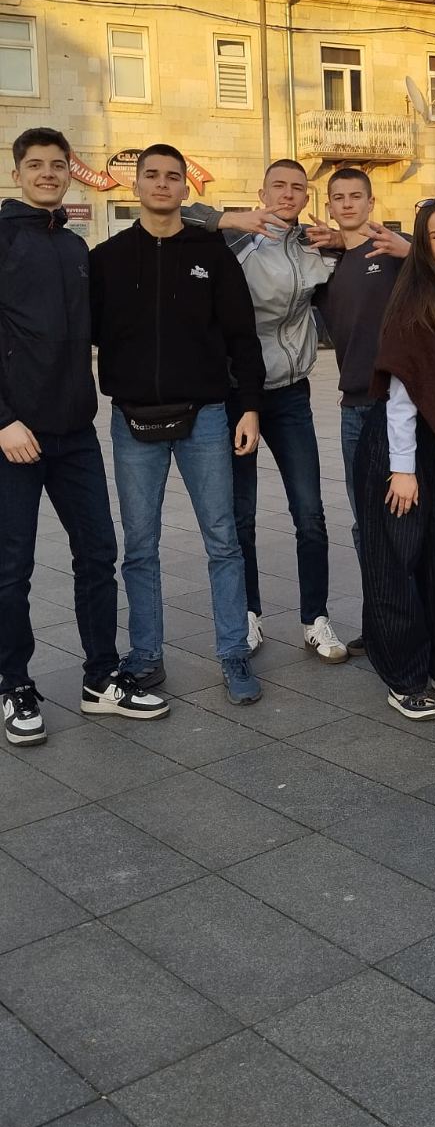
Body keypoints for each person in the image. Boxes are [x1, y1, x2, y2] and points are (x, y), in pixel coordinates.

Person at [0, 128, 168, 745]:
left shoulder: (74, 246)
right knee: (11, 568)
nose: (48, 173)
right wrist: (2, 420)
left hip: (74, 432)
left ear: (70, 172)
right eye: (36, 165)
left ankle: (101, 679)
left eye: (57, 164)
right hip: (14, 436)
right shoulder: (3, 238)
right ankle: (14, 684)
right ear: (17, 174)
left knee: (98, 556)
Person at [90, 144, 266, 705]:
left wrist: (249, 407)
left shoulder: (212, 254)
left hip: (206, 416)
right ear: (135, 185)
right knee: (140, 546)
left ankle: (233, 652)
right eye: (152, 175)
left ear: (186, 189)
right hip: (133, 420)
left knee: (223, 539)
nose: (162, 184)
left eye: (172, 176)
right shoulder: (108, 258)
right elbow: (83, 332)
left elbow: (242, 336)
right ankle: (146, 657)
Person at [184, 159, 346, 663]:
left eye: (298, 187)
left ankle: (315, 619)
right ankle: (249, 614)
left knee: (310, 513)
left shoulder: (314, 244)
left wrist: (345, 238)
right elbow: (178, 212)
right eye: (278, 186)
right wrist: (229, 218)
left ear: (306, 197)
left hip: (291, 393)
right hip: (238, 393)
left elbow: (380, 255)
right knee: (243, 514)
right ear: (262, 191)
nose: (287, 194)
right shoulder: (236, 236)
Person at [355, 196, 435, 719]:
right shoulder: (415, 301)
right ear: (423, 246)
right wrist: (402, 470)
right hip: (399, 446)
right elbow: (403, 394)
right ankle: (405, 676)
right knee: (395, 562)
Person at [312, 168, 409, 559]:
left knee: (402, 516)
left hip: (396, 404)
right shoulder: (326, 264)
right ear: (329, 207)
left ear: (371, 202)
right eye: (339, 198)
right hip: (352, 407)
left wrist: (411, 251)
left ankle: (407, 595)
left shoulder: (393, 249)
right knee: (364, 520)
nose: (348, 204)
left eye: (356, 196)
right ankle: (378, 594)